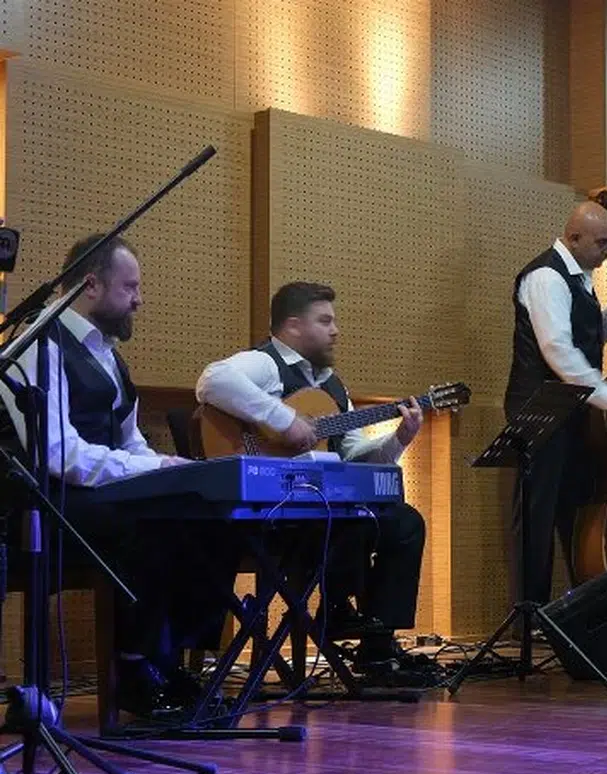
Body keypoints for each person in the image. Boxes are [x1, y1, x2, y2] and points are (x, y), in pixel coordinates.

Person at [0, 233, 227, 717]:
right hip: (40, 502)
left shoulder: (109, 355)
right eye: (130, 287)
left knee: (206, 510)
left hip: (91, 498)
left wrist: (164, 471)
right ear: (90, 285)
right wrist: (151, 471)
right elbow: (57, 454)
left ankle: (171, 658)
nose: (139, 299)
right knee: (149, 523)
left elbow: (130, 442)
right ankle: (134, 668)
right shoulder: (39, 345)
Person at [196, 281, 427, 676]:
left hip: (315, 514)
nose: (335, 330)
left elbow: (355, 458)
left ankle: (376, 646)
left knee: (403, 521)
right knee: (350, 517)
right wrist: (283, 420)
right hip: (268, 516)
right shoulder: (266, 364)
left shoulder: (334, 386)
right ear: (293, 326)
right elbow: (212, 381)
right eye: (325, 321)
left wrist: (399, 439)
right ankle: (336, 608)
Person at [503, 201, 607, 607]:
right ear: (573, 238)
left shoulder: (579, 278)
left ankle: (577, 610)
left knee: (576, 510)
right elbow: (559, 352)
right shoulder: (546, 277)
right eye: (601, 243)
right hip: (539, 410)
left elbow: (591, 337)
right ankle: (529, 615)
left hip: (571, 409)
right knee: (536, 516)